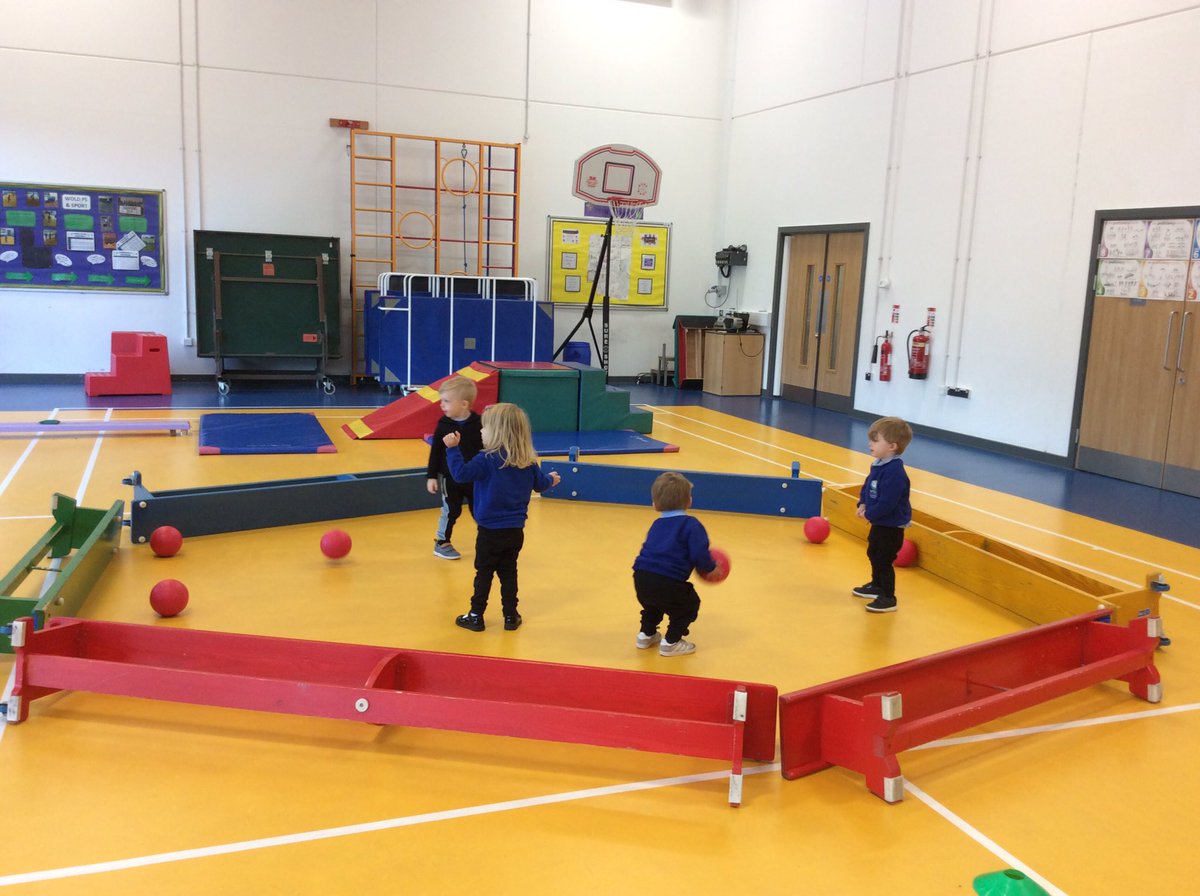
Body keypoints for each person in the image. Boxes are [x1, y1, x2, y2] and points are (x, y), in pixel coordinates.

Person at [443, 403, 560, 632]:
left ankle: (476, 615)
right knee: (509, 572)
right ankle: (510, 615)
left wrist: (452, 449)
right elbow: (541, 484)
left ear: (496, 431)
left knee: (484, 572)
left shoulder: (485, 459)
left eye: (484, 428)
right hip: (515, 531)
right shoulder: (527, 461)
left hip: (489, 530)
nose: (480, 431)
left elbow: (460, 474)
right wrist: (552, 479)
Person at [631, 472, 718, 657]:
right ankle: (671, 642)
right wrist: (711, 567)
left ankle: (646, 635)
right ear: (689, 501)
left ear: (655, 504)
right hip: (668, 581)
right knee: (688, 605)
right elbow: (699, 554)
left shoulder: (657, 524)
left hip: (641, 577)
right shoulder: (692, 525)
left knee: (652, 605)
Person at [853, 415, 913, 613]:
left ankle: (888, 597)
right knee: (873, 552)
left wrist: (871, 513)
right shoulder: (878, 465)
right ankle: (876, 585)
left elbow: (888, 501)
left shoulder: (895, 472)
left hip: (891, 525)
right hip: (880, 522)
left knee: (884, 559)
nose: (870, 443)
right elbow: (868, 486)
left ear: (892, 446)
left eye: (875, 440)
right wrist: (862, 503)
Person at [426, 376, 483, 560]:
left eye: (447, 401)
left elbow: (486, 448)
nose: (442, 405)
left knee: (480, 508)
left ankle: (487, 537)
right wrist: (432, 476)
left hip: (474, 477)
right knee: (451, 509)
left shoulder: (479, 423)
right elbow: (435, 451)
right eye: (442, 400)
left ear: (464, 404)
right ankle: (442, 542)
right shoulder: (444, 424)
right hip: (451, 478)